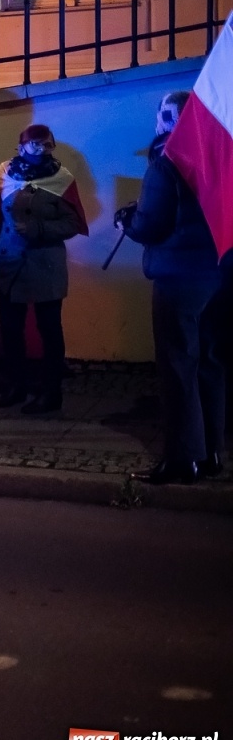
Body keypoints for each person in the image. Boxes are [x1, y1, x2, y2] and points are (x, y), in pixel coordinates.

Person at [121, 91, 224, 484]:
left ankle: (184, 459)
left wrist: (127, 223)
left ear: (165, 120)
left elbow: (152, 225)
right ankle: (213, 452)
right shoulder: (221, 156)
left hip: (179, 277)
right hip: (219, 273)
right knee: (211, 364)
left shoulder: (166, 165)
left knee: (179, 366)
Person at [0, 123, 88, 414]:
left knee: (49, 329)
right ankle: (16, 384)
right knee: (11, 327)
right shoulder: (4, 173)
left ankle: (51, 391)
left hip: (45, 262)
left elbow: (74, 223)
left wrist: (40, 227)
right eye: (36, 144)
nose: (42, 150)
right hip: (11, 261)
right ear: (21, 146)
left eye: (47, 145)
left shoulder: (62, 178)